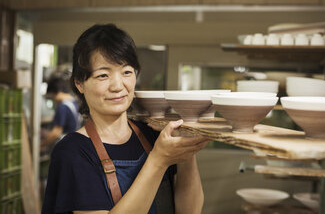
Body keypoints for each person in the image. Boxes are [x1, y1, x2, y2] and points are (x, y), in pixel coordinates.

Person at [42, 24, 209, 214]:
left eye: (127, 72)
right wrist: (158, 160)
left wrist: (186, 152)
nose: (118, 86)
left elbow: (190, 211)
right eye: (103, 75)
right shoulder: (72, 152)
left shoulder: (154, 136)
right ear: (79, 83)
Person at [41, 76, 81, 149]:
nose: (53, 99)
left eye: (52, 96)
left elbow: (56, 133)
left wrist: (42, 144)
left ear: (57, 92)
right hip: (74, 144)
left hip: (65, 146)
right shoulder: (73, 104)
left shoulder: (63, 107)